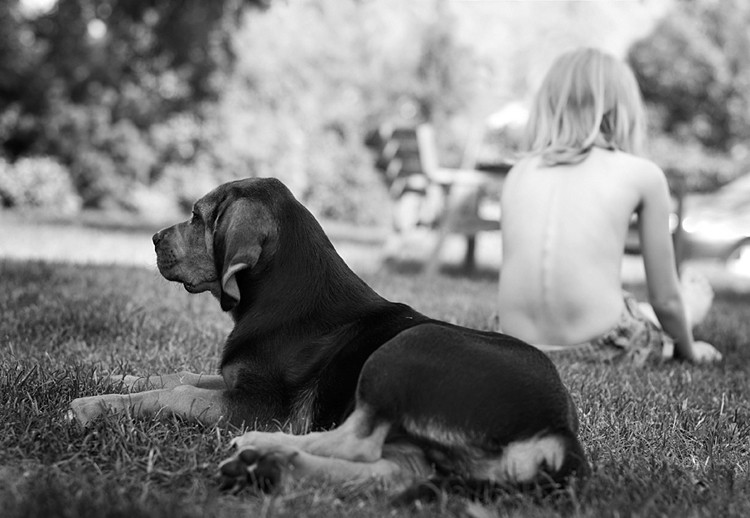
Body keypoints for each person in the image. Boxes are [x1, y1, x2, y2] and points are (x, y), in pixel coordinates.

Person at [497, 47, 722, 364]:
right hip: (600, 341)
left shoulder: (519, 172)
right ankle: (691, 309)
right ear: (620, 108)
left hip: (515, 341)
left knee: (619, 304)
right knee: (648, 312)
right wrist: (690, 348)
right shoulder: (642, 174)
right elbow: (664, 298)